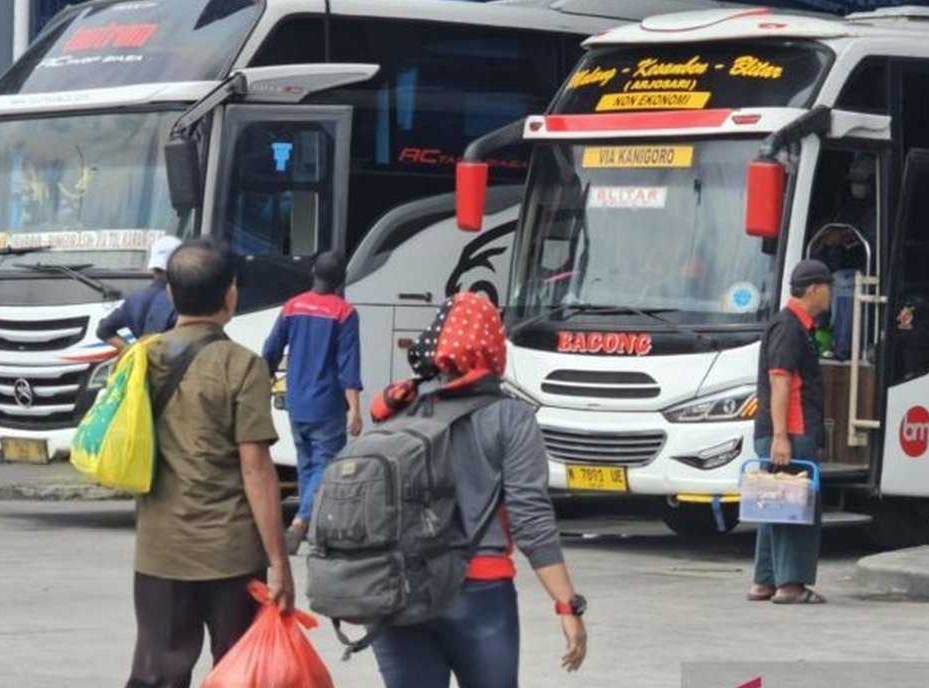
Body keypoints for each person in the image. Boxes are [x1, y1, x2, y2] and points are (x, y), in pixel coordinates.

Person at [368, 292, 588, 688]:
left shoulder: (396, 406)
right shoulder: (511, 417)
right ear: (494, 344)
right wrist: (566, 604)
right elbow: (530, 521)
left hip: (396, 590)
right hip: (479, 590)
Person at [127, 239, 294, 688]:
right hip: (232, 556)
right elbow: (256, 468)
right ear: (230, 295)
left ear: (170, 295)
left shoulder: (142, 358)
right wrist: (279, 562)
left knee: (157, 673)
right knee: (240, 672)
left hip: (160, 551)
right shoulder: (242, 366)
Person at [261, 252, 363, 555]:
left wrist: (262, 381)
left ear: (313, 272)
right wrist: (355, 409)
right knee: (326, 465)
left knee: (306, 464)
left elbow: (271, 349)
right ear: (340, 280)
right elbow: (348, 366)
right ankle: (301, 523)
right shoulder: (344, 313)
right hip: (327, 405)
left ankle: (307, 526)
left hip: (297, 402)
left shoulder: (293, 306)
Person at [747, 259, 832, 605]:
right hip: (791, 432)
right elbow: (780, 381)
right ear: (813, 288)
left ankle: (764, 582)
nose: (831, 293)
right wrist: (782, 436)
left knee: (773, 504)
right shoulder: (789, 328)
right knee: (796, 508)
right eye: (828, 286)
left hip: (785, 431)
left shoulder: (794, 325)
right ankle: (791, 585)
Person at [97, 235, 181, 352]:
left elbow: (103, 330)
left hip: (143, 368)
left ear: (153, 267)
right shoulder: (182, 299)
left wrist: (132, 351)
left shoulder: (134, 300)